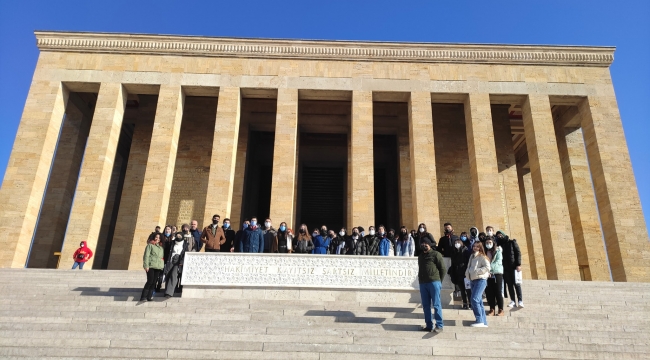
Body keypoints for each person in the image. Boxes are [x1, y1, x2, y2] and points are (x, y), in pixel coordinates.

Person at [417, 237, 445, 333]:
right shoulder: (420, 256)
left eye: (426, 244)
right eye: (422, 244)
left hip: (434, 282)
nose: (424, 245)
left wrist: (438, 281)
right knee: (425, 305)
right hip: (423, 283)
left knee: (436, 304)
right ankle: (429, 325)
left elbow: (443, 269)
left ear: (429, 245)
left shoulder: (436, 254)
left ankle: (439, 325)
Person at [465, 242, 491, 327]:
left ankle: (479, 320)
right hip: (473, 280)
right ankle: (483, 322)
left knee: (474, 299)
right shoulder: (472, 256)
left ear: (480, 248)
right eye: (474, 246)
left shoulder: (482, 256)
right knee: (479, 301)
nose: (475, 248)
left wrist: (477, 271)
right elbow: (469, 267)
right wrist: (467, 274)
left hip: (480, 280)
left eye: (477, 246)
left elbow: (487, 267)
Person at [499, 230, 524, 308]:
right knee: (509, 285)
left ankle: (520, 301)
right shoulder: (500, 246)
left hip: (514, 267)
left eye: (500, 235)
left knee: (517, 284)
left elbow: (518, 253)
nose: (499, 237)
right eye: (498, 236)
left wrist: (518, 264)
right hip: (505, 268)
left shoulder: (512, 242)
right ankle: (513, 300)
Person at [141, 234, 164, 301]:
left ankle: (149, 296)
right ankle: (143, 297)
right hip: (151, 266)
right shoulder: (150, 245)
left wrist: (161, 266)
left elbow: (161, 258)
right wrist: (146, 265)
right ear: (154, 238)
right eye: (156, 237)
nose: (157, 239)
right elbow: (146, 256)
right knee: (150, 281)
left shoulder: (161, 248)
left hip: (158, 266)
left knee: (154, 282)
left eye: (159, 238)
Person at [164, 232, 188, 298]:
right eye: (177, 236)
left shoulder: (185, 244)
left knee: (173, 275)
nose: (178, 237)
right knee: (168, 274)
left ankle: (169, 293)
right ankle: (166, 291)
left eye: (180, 236)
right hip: (171, 260)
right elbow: (167, 252)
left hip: (178, 261)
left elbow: (186, 253)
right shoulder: (172, 243)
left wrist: (182, 261)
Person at [484, 237, 504, 316]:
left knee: (498, 291)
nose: (488, 244)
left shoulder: (498, 251)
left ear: (493, 243)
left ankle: (500, 309)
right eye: (487, 243)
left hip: (496, 273)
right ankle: (492, 309)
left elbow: (498, 261)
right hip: (488, 274)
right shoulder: (485, 252)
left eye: (490, 242)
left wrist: (489, 269)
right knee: (489, 292)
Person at [449, 238, 470, 309]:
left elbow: (468, 262)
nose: (456, 244)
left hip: (465, 274)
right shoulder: (454, 252)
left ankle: (470, 303)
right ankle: (464, 303)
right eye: (455, 243)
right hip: (458, 274)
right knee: (462, 290)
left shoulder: (466, 251)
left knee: (468, 289)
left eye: (458, 242)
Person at [157, 226, 174, 291]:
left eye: (169, 229)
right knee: (160, 272)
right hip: (161, 257)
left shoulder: (172, 238)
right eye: (166, 229)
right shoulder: (161, 237)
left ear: (171, 230)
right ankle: (158, 285)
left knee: (167, 272)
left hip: (169, 257)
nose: (167, 231)